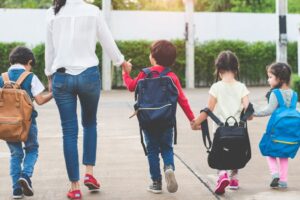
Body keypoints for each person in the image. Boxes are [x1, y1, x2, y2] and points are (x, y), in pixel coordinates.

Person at [45, 0, 131, 199]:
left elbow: (50, 50)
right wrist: (121, 62)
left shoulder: (52, 13)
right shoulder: (93, 11)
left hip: (62, 77)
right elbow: (107, 41)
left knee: (69, 131)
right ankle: (89, 174)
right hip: (89, 77)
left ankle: (74, 187)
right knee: (90, 124)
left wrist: (50, 75)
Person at [122, 40, 195, 194]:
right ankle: (169, 167)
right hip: (167, 121)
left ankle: (156, 183)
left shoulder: (144, 74)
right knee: (167, 148)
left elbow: (131, 87)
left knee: (152, 150)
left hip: (147, 121)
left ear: (153, 57)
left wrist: (125, 73)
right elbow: (182, 100)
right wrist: (192, 119)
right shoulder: (172, 76)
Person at [192, 50, 250, 195]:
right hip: (238, 130)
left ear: (219, 69)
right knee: (235, 151)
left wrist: (196, 122)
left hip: (220, 130)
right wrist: (245, 116)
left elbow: (209, 109)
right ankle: (234, 179)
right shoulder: (242, 87)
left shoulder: (216, 87)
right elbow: (248, 111)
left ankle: (222, 174)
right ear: (236, 69)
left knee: (220, 153)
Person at [0, 46, 52, 199]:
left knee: (15, 154)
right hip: (27, 123)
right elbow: (40, 101)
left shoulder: (2, 77)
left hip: (6, 124)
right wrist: (53, 93)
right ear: (29, 62)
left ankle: (16, 190)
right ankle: (26, 176)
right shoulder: (30, 76)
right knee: (32, 149)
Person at [253, 62, 294, 189]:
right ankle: (283, 180)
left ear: (280, 78)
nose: (268, 79)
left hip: (275, 129)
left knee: (268, 150)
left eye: (270, 77)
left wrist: (253, 112)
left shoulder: (275, 93)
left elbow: (268, 110)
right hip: (290, 131)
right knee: (284, 154)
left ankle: (275, 173)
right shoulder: (294, 94)